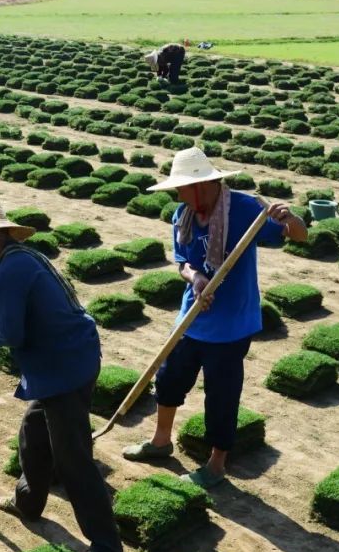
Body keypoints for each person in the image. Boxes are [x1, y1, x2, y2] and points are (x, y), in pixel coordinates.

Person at [0, 199, 124, 552]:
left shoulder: (13, 268)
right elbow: (15, 314)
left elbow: (13, 332)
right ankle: (28, 502)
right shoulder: (20, 258)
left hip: (64, 368)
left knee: (73, 459)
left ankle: (107, 547)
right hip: (65, 361)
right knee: (33, 432)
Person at [121, 147, 307, 488]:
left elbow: (299, 235)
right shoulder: (183, 214)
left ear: (201, 186)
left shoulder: (245, 209)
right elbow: (182, 263)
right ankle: (161, 442)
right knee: (169, 379)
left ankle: (216, 464)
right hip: (192, 317)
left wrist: (290, 218)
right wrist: (196, 279)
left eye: (182, 189)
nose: (179, 196)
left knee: (221, 395)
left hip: (232, 324)